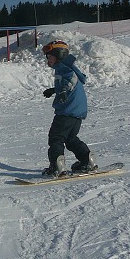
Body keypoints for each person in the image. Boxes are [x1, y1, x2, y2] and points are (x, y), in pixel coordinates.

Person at [41, 40, 96, 176]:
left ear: (59, 55)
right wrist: (55, 90)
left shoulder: (64, 67)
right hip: (77, 111)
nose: (48, 60)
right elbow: (69, 81)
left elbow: (70, 80)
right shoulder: (68, 67)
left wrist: (64, 90)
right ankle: (87, 160)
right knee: (71, 139)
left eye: (50, 57)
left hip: (67, 111)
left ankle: (56, 166)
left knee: (56, 137)